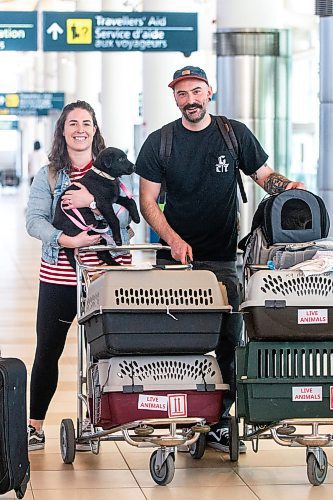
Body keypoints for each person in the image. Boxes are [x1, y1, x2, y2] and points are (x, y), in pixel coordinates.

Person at [135, 66, 304, 453]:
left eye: (196, 91)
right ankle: (183, 416)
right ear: (174, 97)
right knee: (178, 342)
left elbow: (264, 176)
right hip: (175, 261)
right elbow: (148, 202)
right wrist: (173, 240)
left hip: (224, 258)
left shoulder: (233, 134)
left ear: (210, 91)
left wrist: (287, 186)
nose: (190, 99)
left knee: (229, 341)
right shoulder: (160, 142)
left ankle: (221, 422)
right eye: (182, 94)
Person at [26, 100, 134, 451]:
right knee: (48, 350)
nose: (80, 129)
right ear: (62, 130)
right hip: (58, 275)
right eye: (73, 123)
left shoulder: (112, 172)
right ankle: (34, 426)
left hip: (103, 274)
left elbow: (127, 217)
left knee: (100, 353)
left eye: (86, 122)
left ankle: (91, 424)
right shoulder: (50, 175)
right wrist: (66, 239)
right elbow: (34, 221)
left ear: (94, 129)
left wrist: (91, 200)